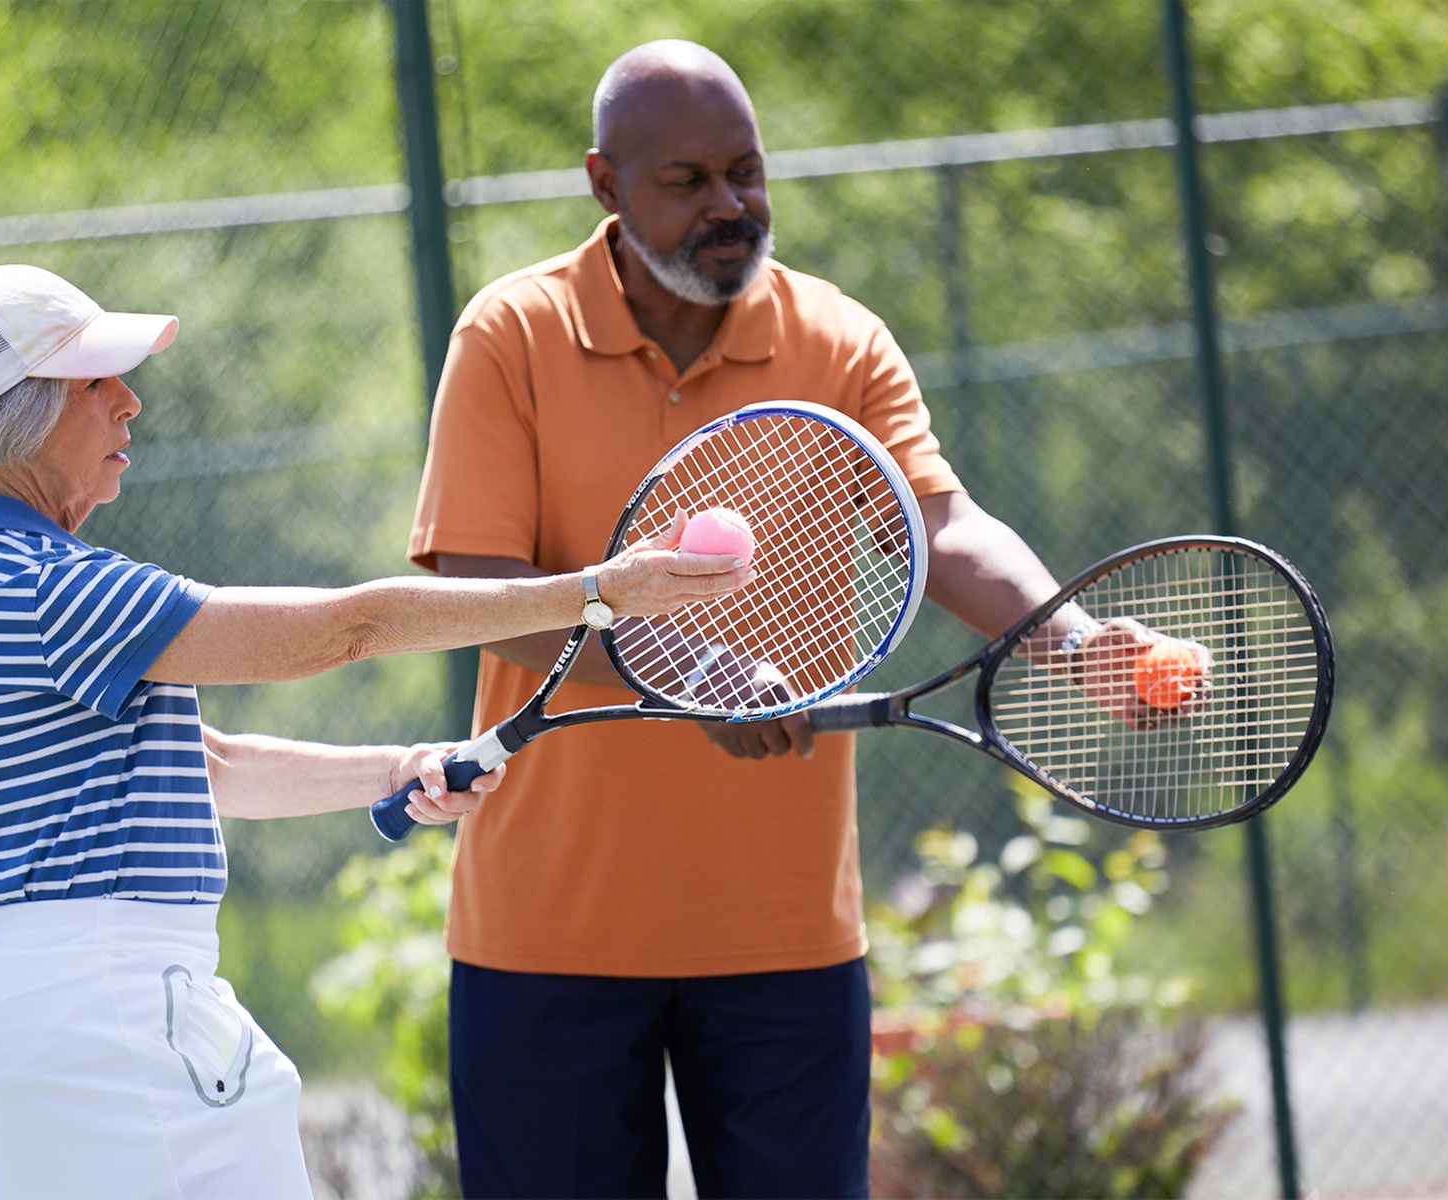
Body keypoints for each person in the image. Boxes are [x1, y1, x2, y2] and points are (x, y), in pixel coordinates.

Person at [408, 41, 1166, 1198]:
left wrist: (1065, 637)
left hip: (785, 943)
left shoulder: (840, 341)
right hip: (544, 941)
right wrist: (689, 671)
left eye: (748, 173)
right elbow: (478, 591)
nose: (731, 206)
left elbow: (940, 528)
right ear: (606, 185)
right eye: (689, 182)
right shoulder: (509, 336)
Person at [0, 263, 750, 1199]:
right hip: (106, 1006)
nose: (129, 401)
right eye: (96, 381)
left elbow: (205, 764)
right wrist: (595, 592)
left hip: (14, 1016)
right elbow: (344, 630)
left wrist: (398, 767)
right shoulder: (49, 585)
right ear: (24, 411)